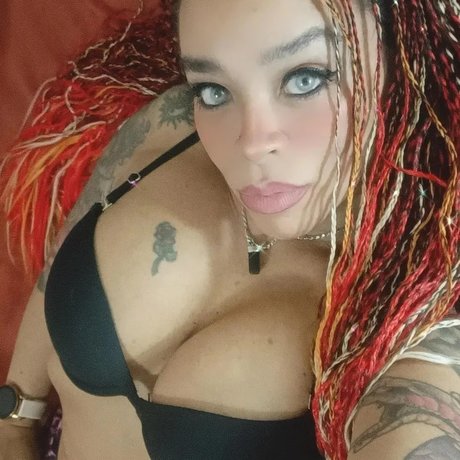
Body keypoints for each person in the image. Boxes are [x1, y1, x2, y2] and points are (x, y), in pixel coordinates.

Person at [0, 0, 459, 458]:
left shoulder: (421, 302)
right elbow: (67, 251)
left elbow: (422, 422)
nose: (251, 143)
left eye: (306, 79)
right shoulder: (172, 126)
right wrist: (15, 418)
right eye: (214, 90)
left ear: (405, 55)